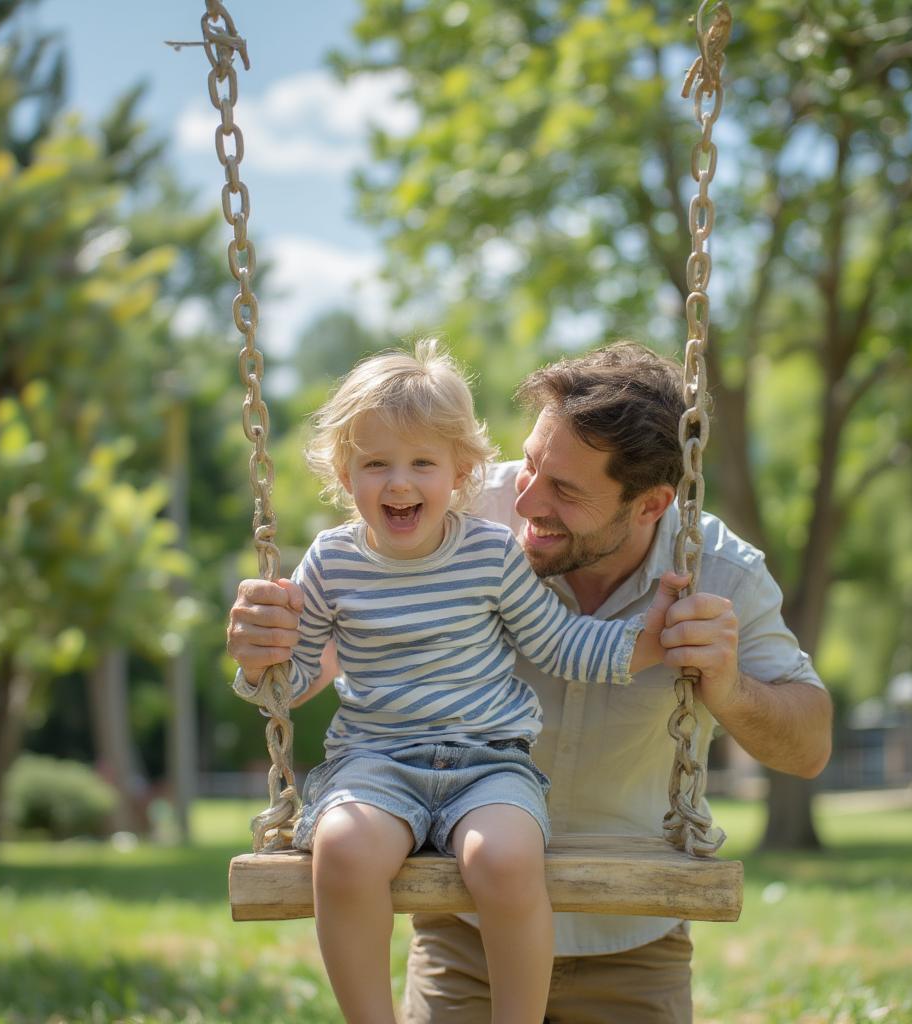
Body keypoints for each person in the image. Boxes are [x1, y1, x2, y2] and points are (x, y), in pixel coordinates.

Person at [227, 342, 834, 1024]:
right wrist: (266, 655)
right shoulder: (455, 509)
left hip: (630, 948)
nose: (526, 499)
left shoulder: (722, 572)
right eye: (533, 461)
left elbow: (808, 748)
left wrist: (724, 684)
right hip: (464, 939)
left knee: (504, 855)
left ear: (650, 505)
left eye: (564, 489)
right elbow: (349, 652)